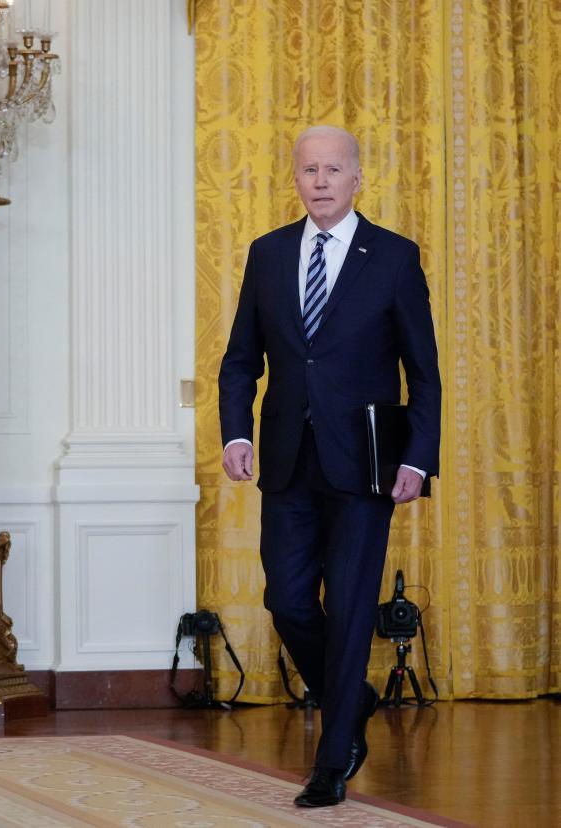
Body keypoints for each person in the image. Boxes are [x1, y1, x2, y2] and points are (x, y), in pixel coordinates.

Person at [217, 125, 441, 808]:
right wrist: (235, 434)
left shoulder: (395, 258)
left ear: (357, 178)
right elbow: (239, 361)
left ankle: (332, 756)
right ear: (295, 177)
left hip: (367, 464)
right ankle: (356, 698)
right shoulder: (269, 252)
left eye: (332, 169)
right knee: (286, 600)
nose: (319, 181)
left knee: (347, 610)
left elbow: (423, 375)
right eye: (308, 169)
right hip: (286, 460)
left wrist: (418, 458)